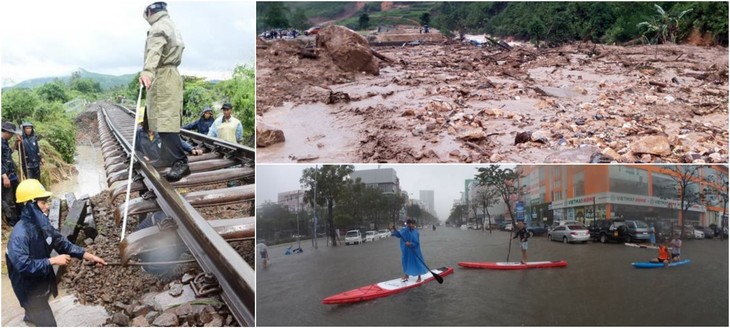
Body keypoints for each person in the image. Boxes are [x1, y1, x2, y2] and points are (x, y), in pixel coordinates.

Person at [6, 179, 107, 327]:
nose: (47, 207)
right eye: (42, 203)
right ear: (30, 205)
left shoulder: (43, 225)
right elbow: (23, 266)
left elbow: (63, 243)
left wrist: (88, 255)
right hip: (27, 288)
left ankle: (30, 319)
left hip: (39, 279)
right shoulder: (20, 235)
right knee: (49, 324)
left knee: (37, 312)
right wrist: (52, 261)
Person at [139, 1, 189, 182]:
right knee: (162, 119)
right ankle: (166, 156)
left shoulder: (158, 27)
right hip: (171, 74)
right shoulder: (171, 25)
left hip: (162, 76)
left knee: (166, 121)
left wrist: (147, 71)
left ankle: (180, 162)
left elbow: (155, 50)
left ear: (150, 12)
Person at [2, 122, 21, 226]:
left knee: (18, 195)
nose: (12, 136)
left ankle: (20, 216)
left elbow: (9, 152)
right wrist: (4, 176)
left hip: (12, 175)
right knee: (9, 200)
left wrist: (16, 143)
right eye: (12, 134)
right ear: (7, 132)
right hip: (5, 177)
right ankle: (13, 222)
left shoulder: (5, 142)